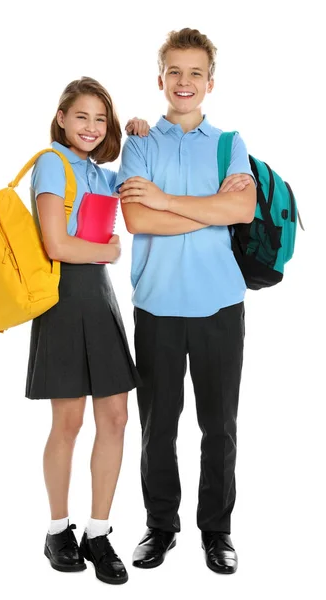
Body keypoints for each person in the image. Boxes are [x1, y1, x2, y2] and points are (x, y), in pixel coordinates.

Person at [116, 28, 256, 575]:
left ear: (210, 83)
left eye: (195, 72)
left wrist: (168, 200)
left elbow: (240, 212)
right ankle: (160, 525)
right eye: (174, 71)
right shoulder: (139, 143)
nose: (184, 81)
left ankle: (216, 531)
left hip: (220, 304)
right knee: (158, 426)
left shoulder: (231, 144)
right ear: (160, 78)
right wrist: (207, 207)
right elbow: (136, 218)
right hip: (157, 306)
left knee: (219, 426)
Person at [25, 76, 149, 585]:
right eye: (82, 116)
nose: (92, 127)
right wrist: (111, 251)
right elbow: (56, 244)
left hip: (99, 298)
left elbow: (133, 182)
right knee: (69, 422)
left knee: (116, 417)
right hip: (64, 298)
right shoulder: (51, 163)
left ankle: (98, 533)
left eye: (101, 118)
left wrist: (140, 135)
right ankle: (59, 530)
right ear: (61, 118)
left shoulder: (98, 173)